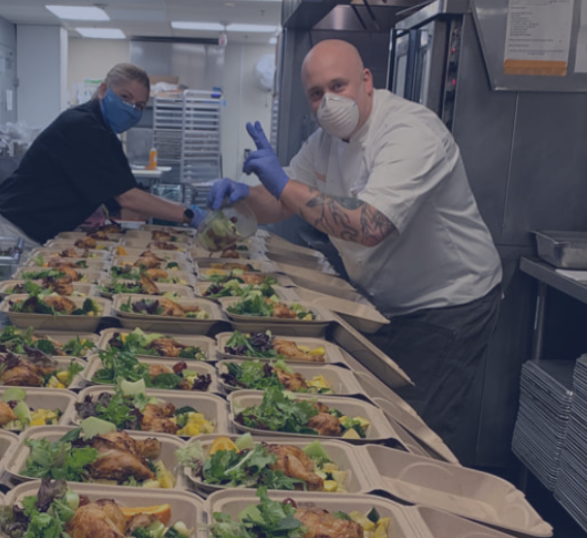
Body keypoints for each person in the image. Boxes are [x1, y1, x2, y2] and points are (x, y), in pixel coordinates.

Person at [208, 39, 502, 449]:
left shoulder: (409, 132)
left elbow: (369, 225)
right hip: (385, 298)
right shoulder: (324, 142)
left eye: (338, 85)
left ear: (366, 80)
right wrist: (244, 194)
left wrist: (283, 184)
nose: (328, 102)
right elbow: (283, 201)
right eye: (316, 93)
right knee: (381, 416)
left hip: (448, 301)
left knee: (417, 428)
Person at [0, 63, 205, 246]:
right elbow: (127, 197)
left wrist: (184, 209)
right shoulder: (81, 126)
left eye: (139, 105)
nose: (131, 109)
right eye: (125, 98)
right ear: (103, 90)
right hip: (15, 228)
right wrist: (188, 215)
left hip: (38, 229)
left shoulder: (103, 131)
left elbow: (124, 190)